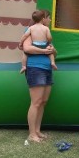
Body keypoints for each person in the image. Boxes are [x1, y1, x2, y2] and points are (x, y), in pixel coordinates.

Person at [20, 9, 57, 142]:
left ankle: (37, 130)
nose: (50, 20)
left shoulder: (44, 32)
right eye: (49, 18)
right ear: (43, 18)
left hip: (47, 68)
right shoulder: (30, 30)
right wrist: (44, 51)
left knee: (43, 101)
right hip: (35, 68)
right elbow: (27, 48)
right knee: (36, 102)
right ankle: (32, 134)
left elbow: (52, 51)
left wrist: (53, 51)